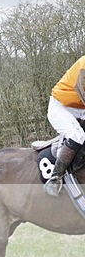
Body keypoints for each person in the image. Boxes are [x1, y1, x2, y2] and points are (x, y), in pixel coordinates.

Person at [45, 55, 85, 196]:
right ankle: (55, 178)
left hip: (80, 108)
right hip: (61, 107)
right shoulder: (84, 65)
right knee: (77, 136)